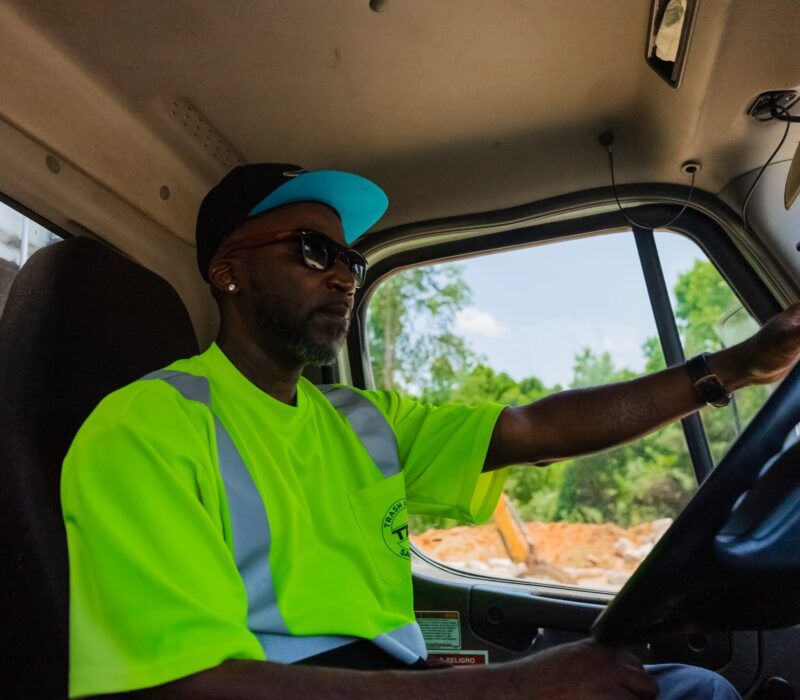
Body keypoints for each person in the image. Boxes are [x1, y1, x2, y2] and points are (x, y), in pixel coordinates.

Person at [62, 163, 800, 699]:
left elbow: (535, 429)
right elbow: (185, 685)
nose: (345, 277)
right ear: (228, 272)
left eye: (351, 260)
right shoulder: (147, 426)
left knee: (690, 690)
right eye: (314, 251)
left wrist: (732, 368)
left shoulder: (363, 420)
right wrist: (510, 690)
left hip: (395, 679)